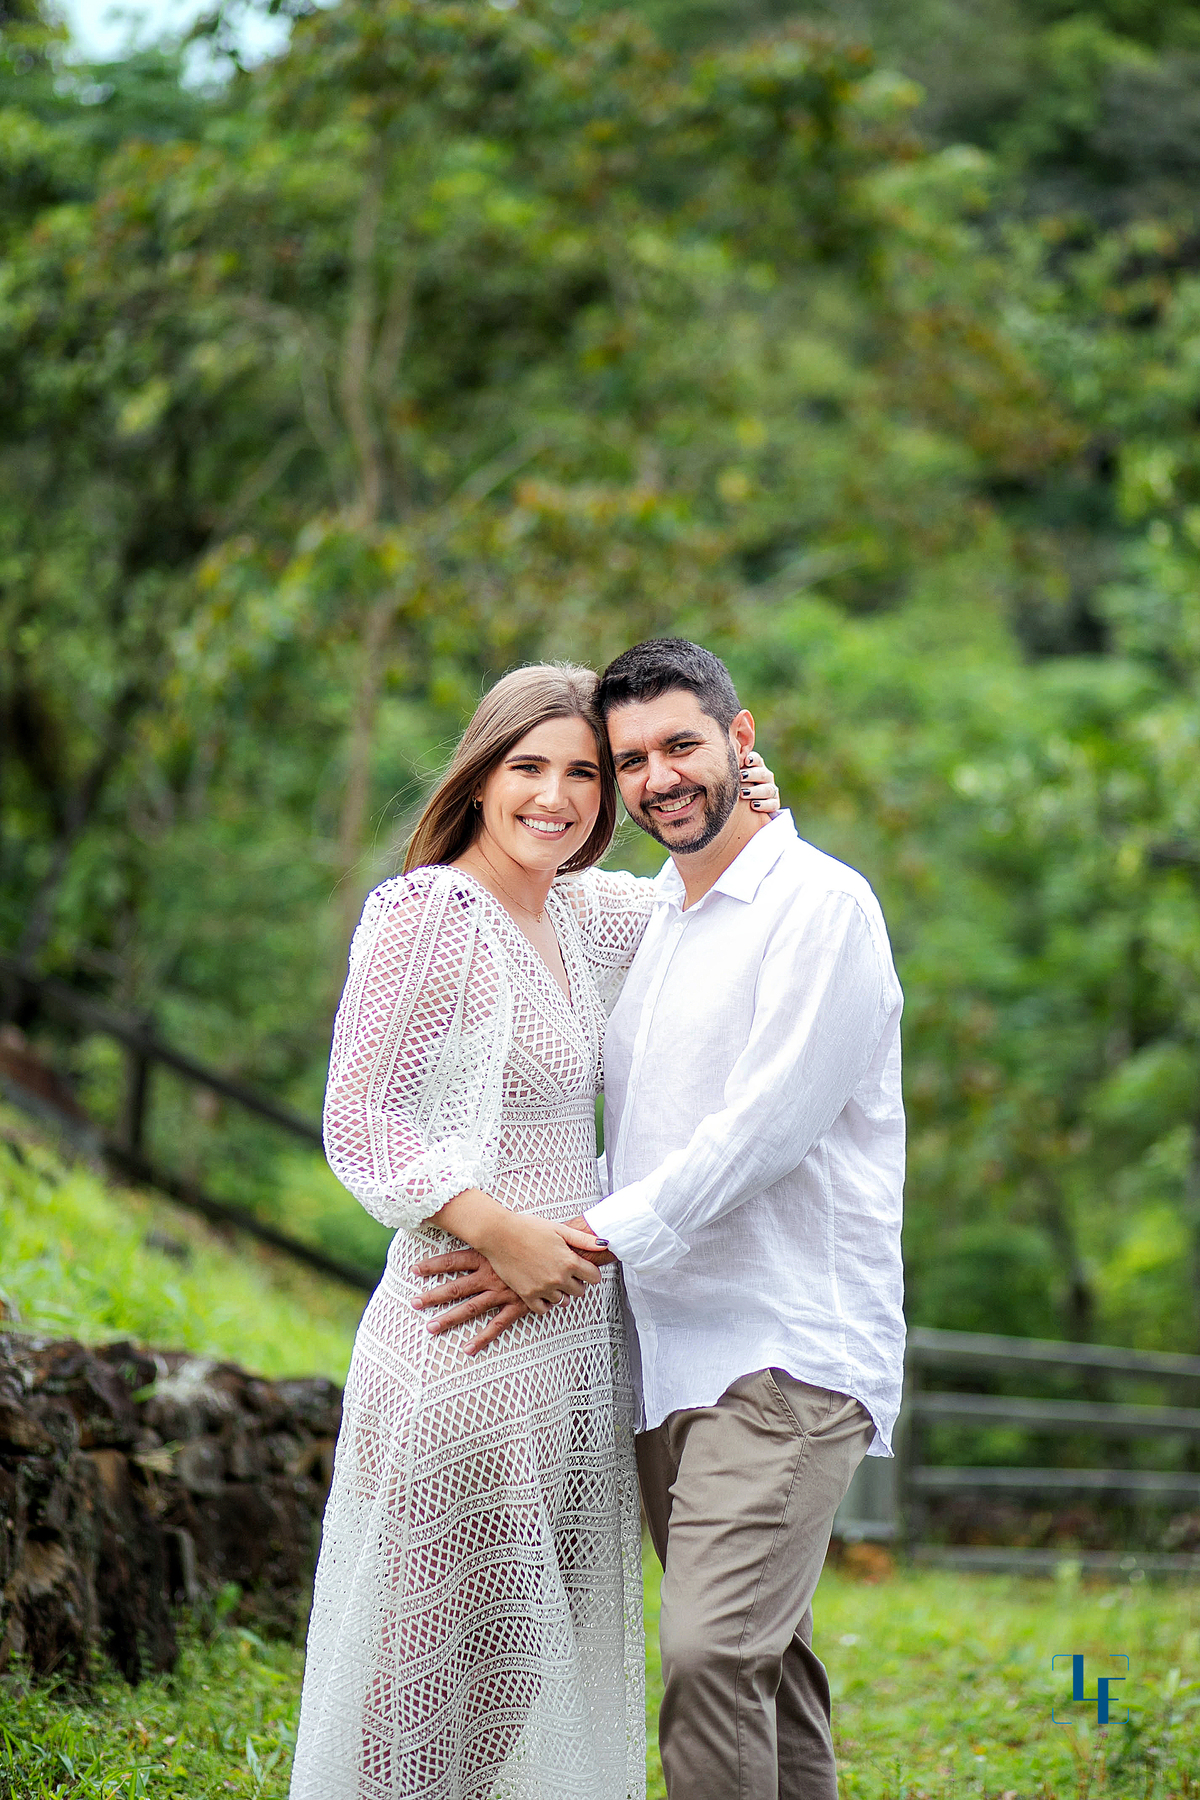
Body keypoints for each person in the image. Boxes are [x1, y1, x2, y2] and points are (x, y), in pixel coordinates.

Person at [417, 639, 905, 1800]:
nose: (657, 778)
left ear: (742, 740)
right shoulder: (660, 925)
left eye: (682, 746)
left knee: (711, 1653)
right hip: (663, 1356)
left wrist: (572, 1243)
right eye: (629, 761)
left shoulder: (822, 907)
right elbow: (643, 1140)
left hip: (785, 1351)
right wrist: (513, 1226)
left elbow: (760, 1130)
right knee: (763, 1664)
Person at [289, 660, 779, 1800]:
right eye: (528, 768)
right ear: (480, 774)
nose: (555, 797)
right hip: (463, 1334)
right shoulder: (429, 913)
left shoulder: (581, 911)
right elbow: (361, 1114)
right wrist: (495, 1227)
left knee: (510, 1676)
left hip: (571, 1350)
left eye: (585, 773)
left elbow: (709, 883)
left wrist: (746, 777)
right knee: (423, 1665)